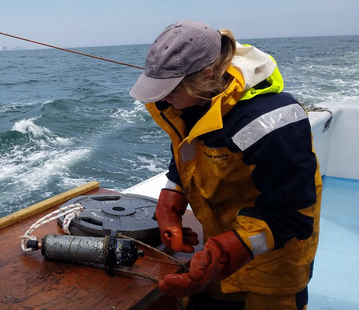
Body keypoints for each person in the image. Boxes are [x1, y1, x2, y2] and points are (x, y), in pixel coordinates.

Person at [129, 21, 322, 310]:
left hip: (273, 269)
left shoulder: (272, 122)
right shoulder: (190, 105)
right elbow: (188, 154)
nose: (161, 98)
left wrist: (224, 253)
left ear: (206, 76)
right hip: (216, 257)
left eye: (168, 89)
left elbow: (291, 213)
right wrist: (170, 201)